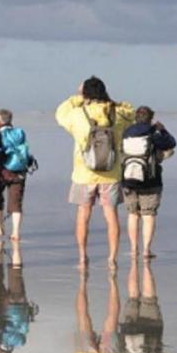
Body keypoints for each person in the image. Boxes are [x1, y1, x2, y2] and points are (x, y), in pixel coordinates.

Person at [55, 77, 137, 269]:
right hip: (111, 173)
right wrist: (114, 102)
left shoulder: (77, 114)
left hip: (84, 173)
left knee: (83, 214)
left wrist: (76, 98)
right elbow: (131, 112)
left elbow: (60, 114)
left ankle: (83, 257)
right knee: (111, 215)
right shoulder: (117, 113)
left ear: (85, 94)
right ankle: (112, 259)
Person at [120, 106, 176, 261]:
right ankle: (146, 250)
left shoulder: (126, 133)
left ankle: (133, 249)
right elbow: (172, 143)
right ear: (151, 119)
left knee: (132, 214)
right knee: (148, 215)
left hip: (129, 180)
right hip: (150, 181)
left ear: (135, 118)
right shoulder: (153, 133)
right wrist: (162, 130)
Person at [121, 260, 175, 353]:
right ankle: (134, 262)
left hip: (152, 329)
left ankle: (146, 266)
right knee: (132, 298)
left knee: (149, 299)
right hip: (129, 328)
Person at [0, 108, 34, 242]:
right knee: (16, 202)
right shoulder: (20, 133)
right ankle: (15, 232)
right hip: (19, 170)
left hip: (1, 171)